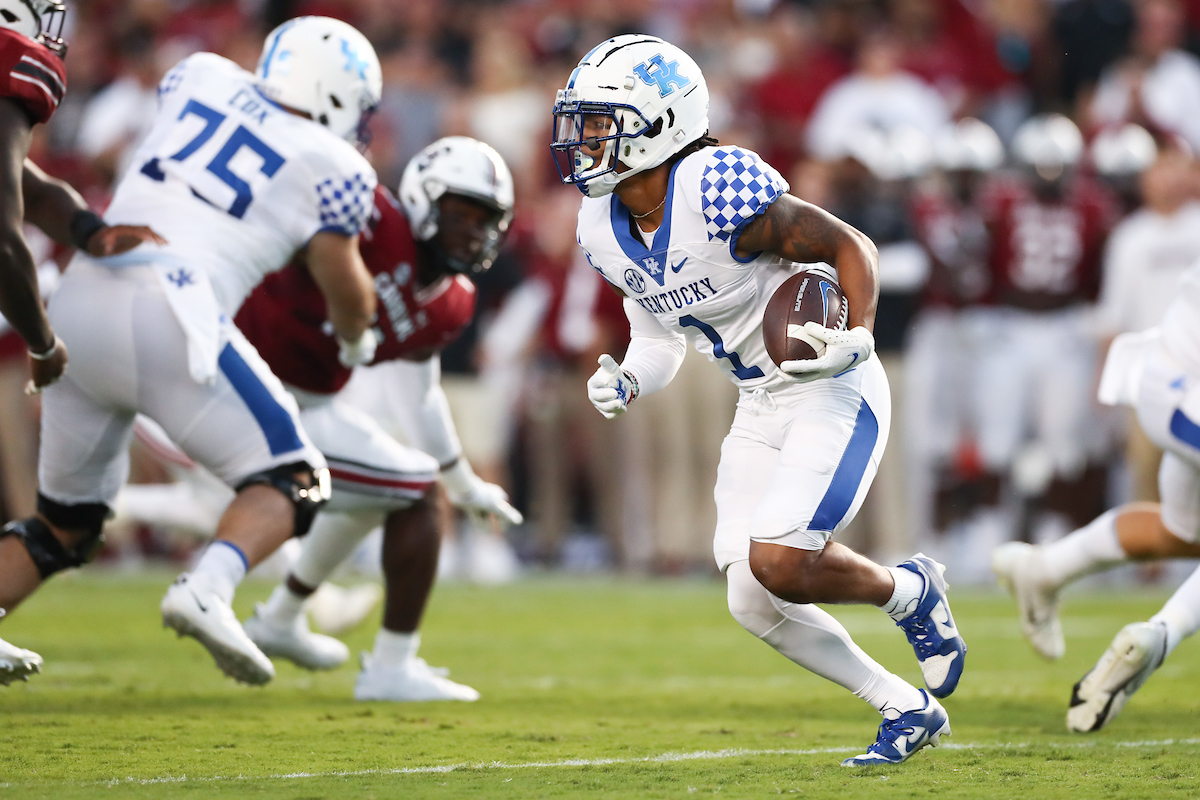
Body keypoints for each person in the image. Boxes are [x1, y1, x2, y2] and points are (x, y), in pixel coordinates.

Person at [553, 34, 967, 766]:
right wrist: (626, 376)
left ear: (661, 122)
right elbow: (659, 337)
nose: (584, 140)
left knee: (779, 561)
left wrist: (858, 333)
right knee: (750, 596)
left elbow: (851, 246)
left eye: (601, 123)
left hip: (829, 384)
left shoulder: (716, 182)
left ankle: (910, 590)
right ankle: (903, 706)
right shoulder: (599, 225)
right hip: (757, 401)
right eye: (582, 123)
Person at [0, 15, 384, 687]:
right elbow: (343, 283)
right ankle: (207, 588)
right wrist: (358, 336)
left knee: (65, 522)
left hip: (82, 294)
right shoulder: (335, 162)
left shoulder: (201, 75)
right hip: (172, 308)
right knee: (295, 478)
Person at [235, 136, 522, 701]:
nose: (472, 230)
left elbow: (418, 392)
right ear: (421, 199)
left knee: (390, 484)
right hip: (241, 376)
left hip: (306, 404)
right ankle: (387, 663)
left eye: (485, 220)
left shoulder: (453, 300)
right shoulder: (372, 219)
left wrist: (464, 483)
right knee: (412, 489)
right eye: (461, 213)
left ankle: (281, 616)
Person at [0, 0, 164, 685]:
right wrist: (42, 341)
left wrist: (90, 230)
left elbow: (27, 189)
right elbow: (3, 231)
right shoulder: (17, 58)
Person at [992, 248, 1200, 732]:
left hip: (1166, 371)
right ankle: (1158, 637)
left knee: (1182, 529)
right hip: (1186, 392)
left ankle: (1043, 568)